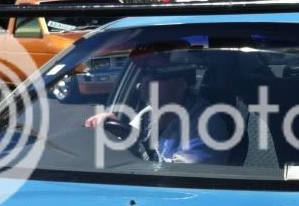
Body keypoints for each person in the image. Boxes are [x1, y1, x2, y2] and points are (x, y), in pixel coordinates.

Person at [85, 44, 231, 165]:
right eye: (144, 73)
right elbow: (129, 145)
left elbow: (182, 178)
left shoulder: (207, 126)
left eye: (156, 73)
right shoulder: (147, 115)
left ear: (181, 83)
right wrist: (110, 128)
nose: (144, 81)